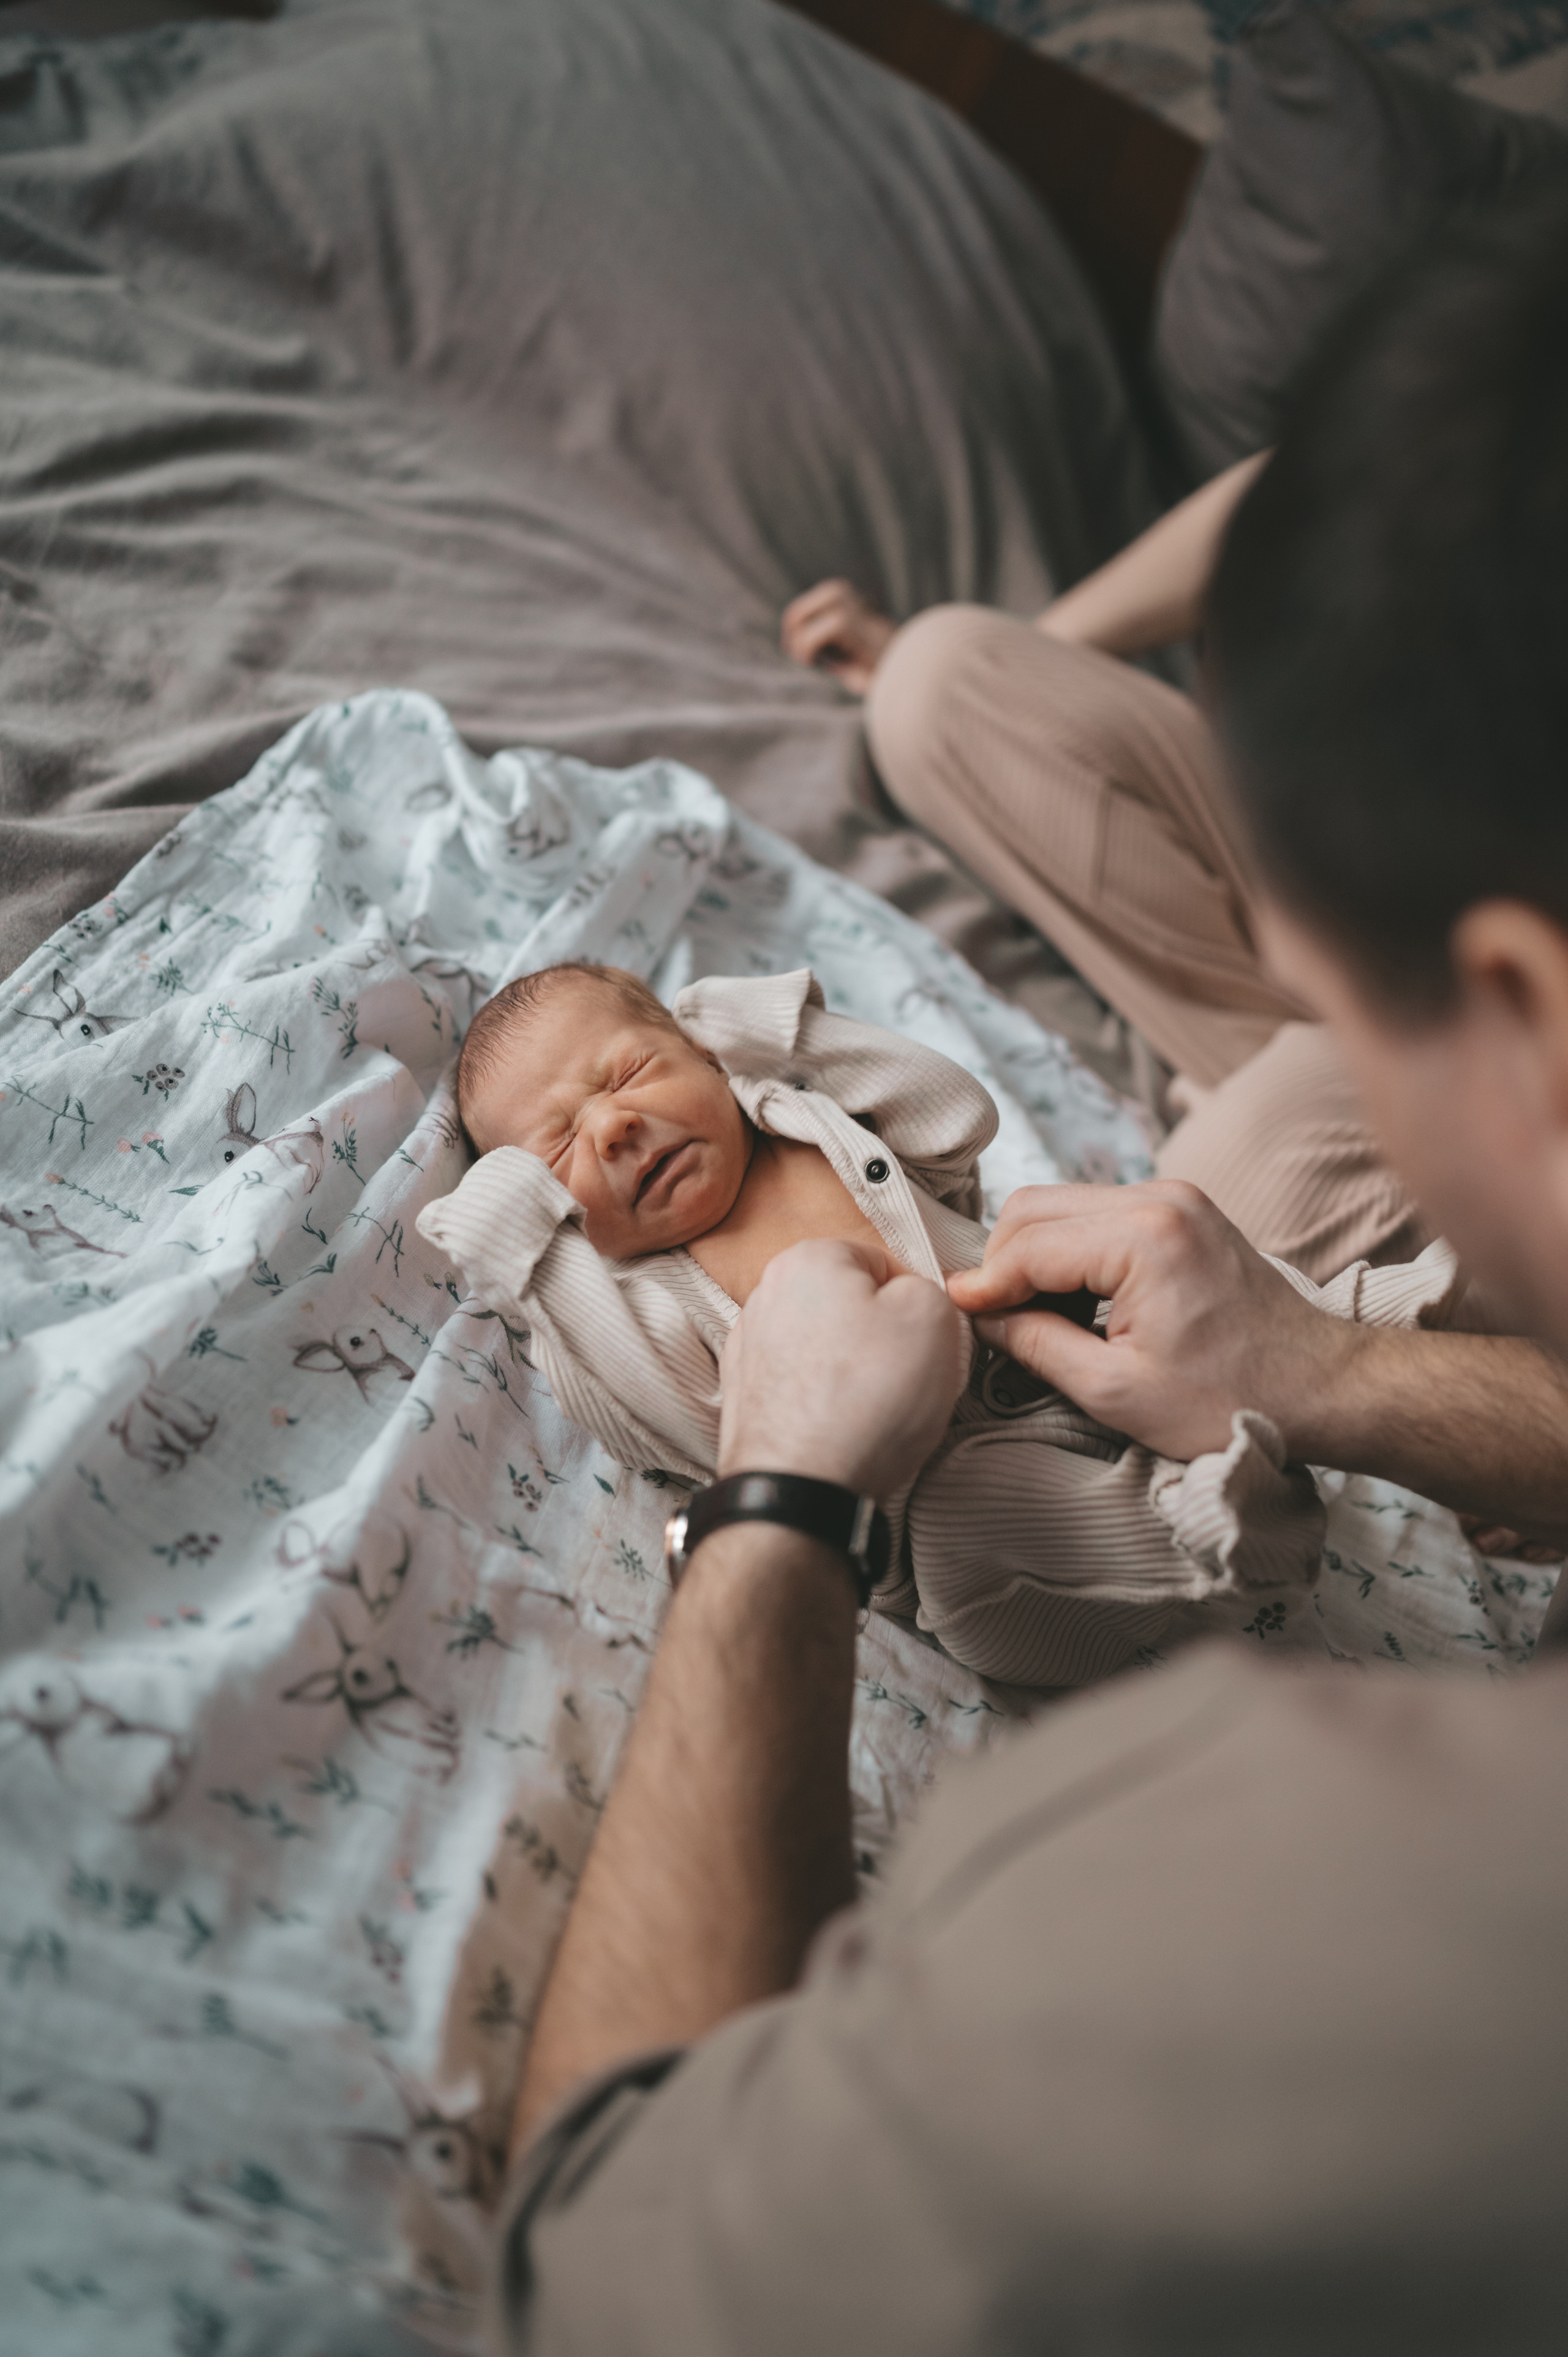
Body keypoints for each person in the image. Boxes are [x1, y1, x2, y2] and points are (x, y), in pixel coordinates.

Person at [483, 200, 1568, 2353]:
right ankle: (988, 740)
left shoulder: (1326, 1882)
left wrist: (785, 1505)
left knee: (1251, 1135)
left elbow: (601, 2267)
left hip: (1041, 1397)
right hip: (1232, 1158)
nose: (610, 1129)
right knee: (958, 678)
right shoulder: (617, 1257)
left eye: (629, 1074)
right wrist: (1313, 1333)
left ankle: (1275, 1104)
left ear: (1516, 1007)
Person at [416, 958, 1431, 1686]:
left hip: (1061, 1327)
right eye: (556, 1155)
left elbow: (956, 1117)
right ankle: (1215, 1517)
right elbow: (656, 1414)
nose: (613, 1126)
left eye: (630, 1073)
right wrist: (535, 1252)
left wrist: (783, 1034)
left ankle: (1407, 1310)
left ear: (706, 1054)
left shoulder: (804, 1122)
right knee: (960, 1535)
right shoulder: (637, 1294)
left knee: (1167, 1263)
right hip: (949, 1491)